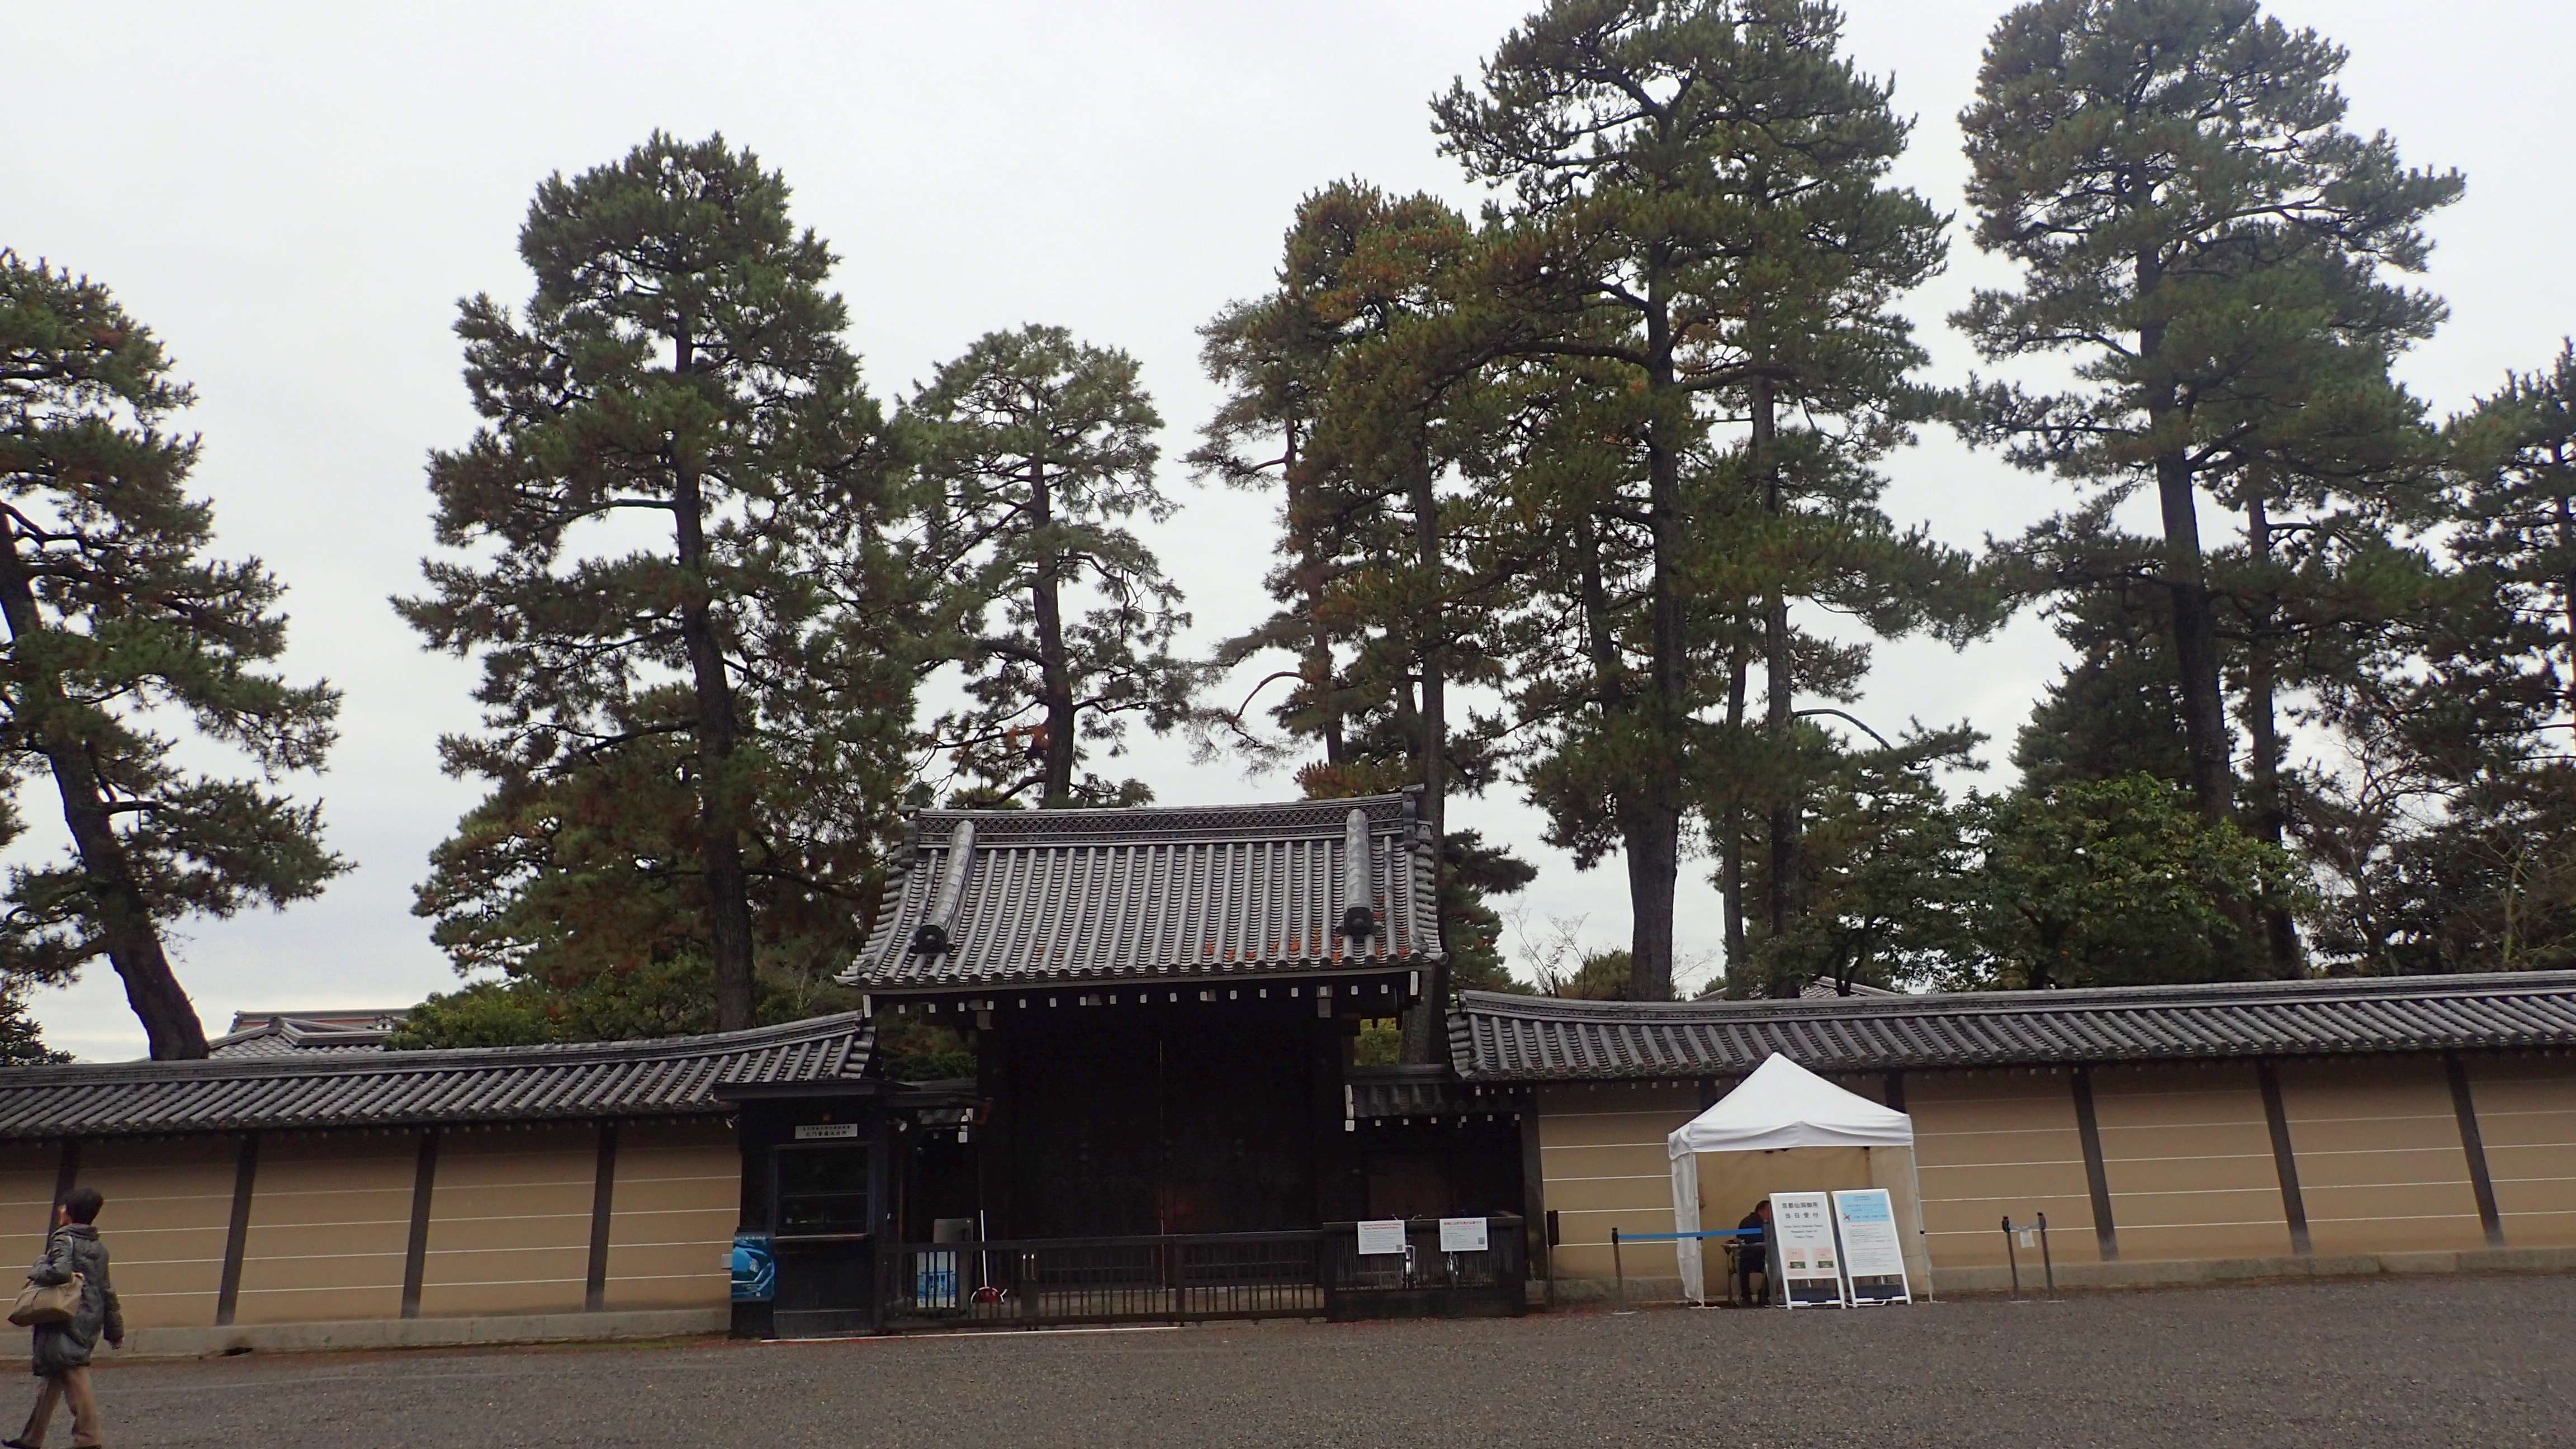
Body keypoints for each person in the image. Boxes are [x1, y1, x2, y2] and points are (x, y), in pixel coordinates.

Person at [9, 1187, 121, 1449]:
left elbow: (59, 1272)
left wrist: (38, 1266)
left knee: (74, 1372)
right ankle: (32, 1438)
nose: (60, 1210)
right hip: (88, 1315)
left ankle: (89, 1439)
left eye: (63, 1207)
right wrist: (114, 1329)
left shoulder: (64, 1240)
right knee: (54, 1374)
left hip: (64, 1315)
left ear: (69, 1214)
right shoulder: (99, 1247)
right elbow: (107, 1289)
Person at [1732, 1199, 1772, 1306]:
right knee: (1743, 1264)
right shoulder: (1748, 1222)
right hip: (1750, 1256)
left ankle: (1764, 1294)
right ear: (1761, 1211)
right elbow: (1743, 1240)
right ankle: (1746, 1296)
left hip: (1765, 1256)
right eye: (1769, 1211)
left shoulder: (1771, 1224)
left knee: (1774, 1265)